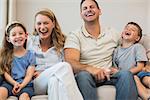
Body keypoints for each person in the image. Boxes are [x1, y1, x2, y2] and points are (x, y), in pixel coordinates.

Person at [64, 0, 138, 100]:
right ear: (81, 14)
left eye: (92, 7)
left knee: (126, 74)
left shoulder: (113, 33)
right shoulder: (74, 36)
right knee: (83, 76)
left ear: (99, 11)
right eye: (85, 8)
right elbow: (70, 62)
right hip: (87, 76)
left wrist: (145, 63)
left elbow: (129, 48)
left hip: (110, 74)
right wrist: (91, 69)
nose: (88, 10)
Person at [27, 8, 83, 100]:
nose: (42, 27)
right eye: (39, 23)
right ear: (35, 25)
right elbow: (19, 59)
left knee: (55, 81)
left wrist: (44, 72)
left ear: (53, 24)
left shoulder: (63, 43)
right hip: (36, 83)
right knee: (64, 66)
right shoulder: (29, 42)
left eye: (46, 23)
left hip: (53, 80)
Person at [0, 21, 36, 100]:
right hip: (9, 83)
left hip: (26, 85)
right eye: (14, 35)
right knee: (1, 92)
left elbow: (29, 75)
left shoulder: (31, 55)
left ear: (26, 36)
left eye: (20, 33)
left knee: (24, 97)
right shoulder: (6, 54)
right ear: (8, 39)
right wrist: (14, 83)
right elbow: (5, 73)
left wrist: (21, 85)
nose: (18, 36)